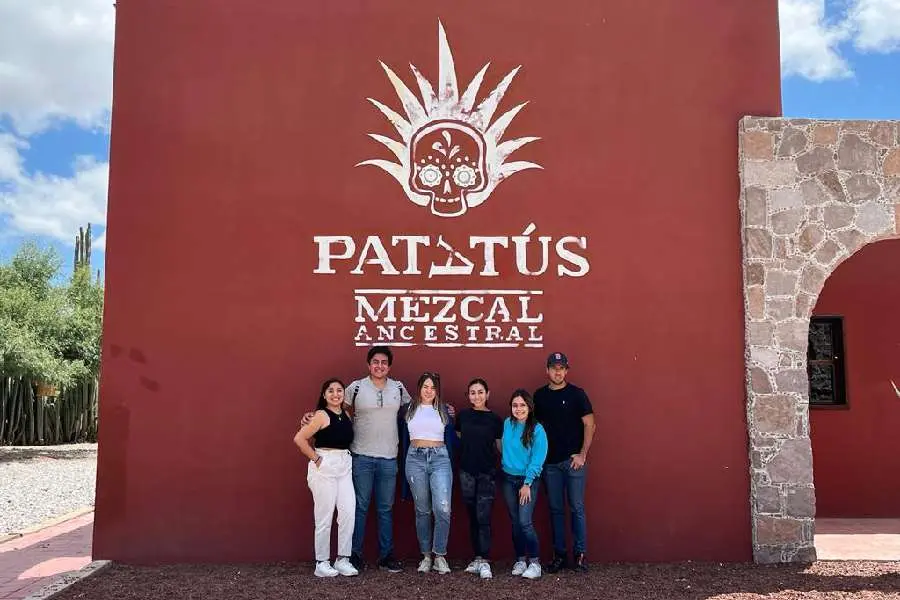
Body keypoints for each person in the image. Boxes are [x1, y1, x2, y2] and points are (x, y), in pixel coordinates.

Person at [301, 346, 411, 573]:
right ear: (369, 364)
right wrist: (311, 416)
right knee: (358, 508)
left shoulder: (398, 388)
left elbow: (414, 410)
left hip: (389, 457)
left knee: (385, 508)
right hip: (360, 456)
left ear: (389, 366)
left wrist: (443, 409)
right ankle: (354, 556)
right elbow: (337, 409)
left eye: (384, 362)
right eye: (375, 362)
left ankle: (386, 556)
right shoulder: (356, 387)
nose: (379, 366)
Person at [534, 352, 596, 573]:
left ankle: (580, 555)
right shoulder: (539, 396)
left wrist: (582, 454)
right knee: (555, 509)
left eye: (561, 368)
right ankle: (559, 554)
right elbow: (535, 429)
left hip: (573, 462)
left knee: (577, 507)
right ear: (547, 370)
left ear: (567, 371)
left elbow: (590, 424)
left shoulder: (577, 394)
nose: (557, 372)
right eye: (553, 368)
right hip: (550, 464)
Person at [293, 378, 359, 577]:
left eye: (339, 390)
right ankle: (321, 563)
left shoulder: (347, 413)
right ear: (324, 395)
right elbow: (299, 438)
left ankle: (342, 559)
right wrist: (317, 460)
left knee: (348, 512)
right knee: (324, 516)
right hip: (325, 466)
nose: (336, 394)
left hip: (344, 466)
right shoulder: (321, 415)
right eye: (330, 391)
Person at [398, 372, 457, 574]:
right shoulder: (408, 410)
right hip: (415, 458)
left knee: (443, 509)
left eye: (432, 387)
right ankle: (426, 556)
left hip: (440, 458)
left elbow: (453, 437)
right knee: (422, 510)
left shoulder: (444, 411)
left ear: (437, 390)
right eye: (425, 386)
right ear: (419, 388)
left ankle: (440, 554)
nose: (429, 391)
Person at [455, 378, 503, 580]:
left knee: (483, 517)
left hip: (487, 473)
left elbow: (499, 447)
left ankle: (485, 559)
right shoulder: (463, 416)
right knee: (473, 516)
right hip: (466, 472)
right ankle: (477, 557)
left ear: (487, 394)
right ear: (468, 395)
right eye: (472, 392)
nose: (477, 396)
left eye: (480, 392)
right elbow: (458, 438)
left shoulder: (495, 419)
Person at [501, 389, 548, 580]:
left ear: (529, 406)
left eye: (522, 405)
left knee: (525, 522)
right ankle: (521, 559)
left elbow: (538, 458)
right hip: (508, 479)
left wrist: (527, 482)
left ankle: (535, 562)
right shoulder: (507, 424)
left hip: (527, 481)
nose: (518, 409)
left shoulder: (537, 429)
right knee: (515, 522)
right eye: (515, 405)